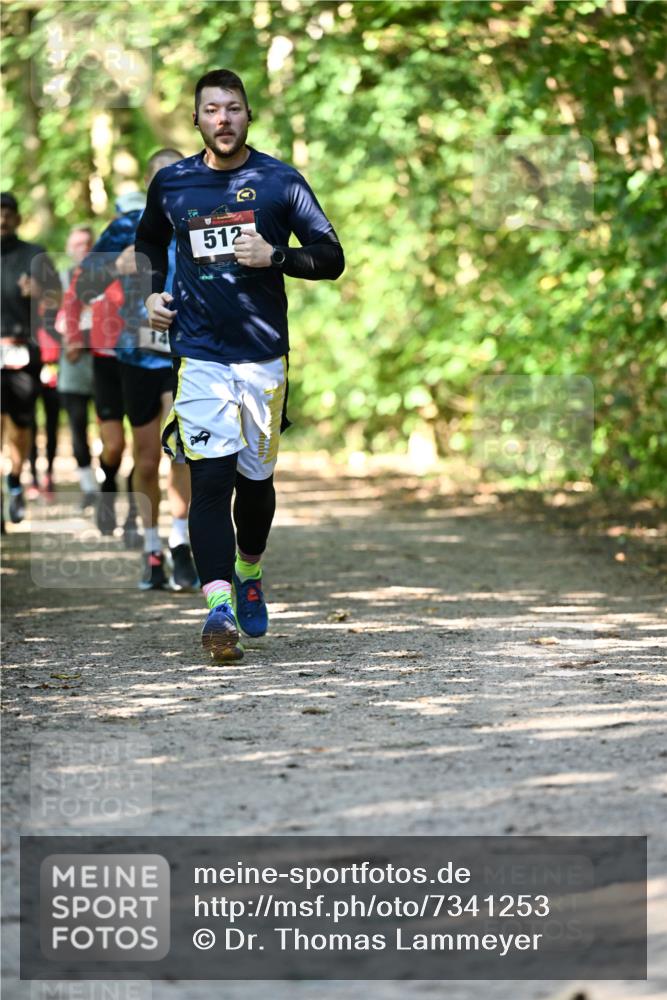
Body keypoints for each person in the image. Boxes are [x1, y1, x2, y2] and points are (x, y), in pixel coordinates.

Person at [135, 69, 344, 661]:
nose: (222, 119)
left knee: (255, 485)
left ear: (248, 115)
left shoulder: (280, 181)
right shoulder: (173, 182)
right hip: (199, 356)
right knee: (210, 481)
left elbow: (331, 257)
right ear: (196, 119)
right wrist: (150, 295)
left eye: (232, 108)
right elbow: (148, 242)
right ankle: (219, 608)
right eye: (211, 109)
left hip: (263, 359)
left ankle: (249, 570)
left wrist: (276, 256)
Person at [77, 155, 197, 590]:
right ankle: (151, 547)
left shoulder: (200, 220)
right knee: (147, 459)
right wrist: (115, 266)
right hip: (136, 354)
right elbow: (83, 285)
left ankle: (181, 543)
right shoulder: (126, 227)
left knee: (182, 450)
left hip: (189, 352)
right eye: (162, 177)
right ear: (149, 183)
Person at [1, 192, 61, 525]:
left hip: (22, 351)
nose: (2, 219)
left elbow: (59, 299)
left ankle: (14, 479)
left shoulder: (34, 254)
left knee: (20, 427)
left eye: (8, 212)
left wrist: (39, 293)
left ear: (18, 218)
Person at [54, 225, 98, 509]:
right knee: (77, 425)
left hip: (103, 361)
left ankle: (108, 478)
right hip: (71, 365)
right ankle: (88, 486)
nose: (83, 249)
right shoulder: (60, 278)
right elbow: (50, 318)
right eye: (78, 244)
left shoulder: (106, 277)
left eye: (88, 243)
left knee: (110, 426)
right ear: (70, 249)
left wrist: (80, 337)